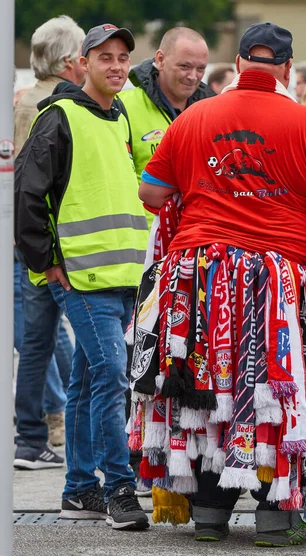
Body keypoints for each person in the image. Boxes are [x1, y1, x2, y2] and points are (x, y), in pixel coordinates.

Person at [134, 22, 306, 546]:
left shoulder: (196, 115)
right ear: (287, 69)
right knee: (270, 393)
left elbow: (152, 194)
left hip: (199, 279)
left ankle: (210, 518)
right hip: (275, 285)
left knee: (208, 392)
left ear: (238, 64)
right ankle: (274, 520)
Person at [15, 23, 149, 530]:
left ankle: (78, 488)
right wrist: (46, 262)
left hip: (120, 276)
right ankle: (118, 487)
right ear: (83, 62)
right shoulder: (59, 116)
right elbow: (28, 194)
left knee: (90, 380)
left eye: (123, 59)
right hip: (80, 277)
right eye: (106, 57)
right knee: (113, 375)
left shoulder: (118, 118)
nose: (116, 66)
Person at [12, 15, 85, 469]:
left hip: (38, 245)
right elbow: (30, 186)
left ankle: (32, 439)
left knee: (39, 341)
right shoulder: (50, 106)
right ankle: (38, 436)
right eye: (82, 54)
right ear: (66, 61)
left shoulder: (28, 102)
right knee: (49, 340)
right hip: (51, 247)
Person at [119, 27, 214, 187]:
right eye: (184, 66)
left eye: (201, 68)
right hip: (142, 212)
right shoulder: (122, 107)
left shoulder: (213, 112)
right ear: (160, 59)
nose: (192, 76)